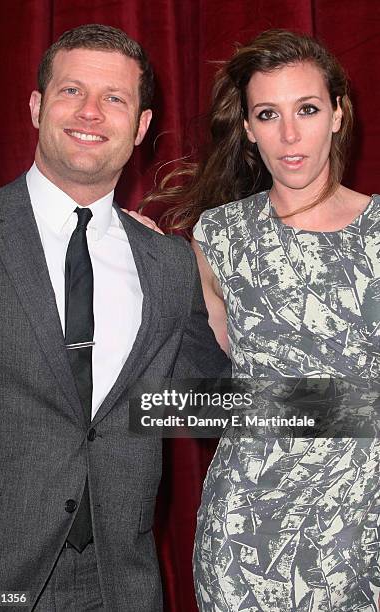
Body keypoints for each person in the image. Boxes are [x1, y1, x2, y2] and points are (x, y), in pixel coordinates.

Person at [0, 24, 229, 611]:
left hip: (121, 587)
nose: (91, 113)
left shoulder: (166, 265)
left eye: (114, 98)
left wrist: (357, 409)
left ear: (140, 127)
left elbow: (210, 405)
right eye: (71, 92)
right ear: (36, 107)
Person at [145, 29, 380, 611]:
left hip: (363, 534)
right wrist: (149, 265)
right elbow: (202, 396)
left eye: (307, 109)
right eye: (268, 114)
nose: (291, 135)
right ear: (249, 128)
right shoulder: (218, 236)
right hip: (244, 532)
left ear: (337, 115)